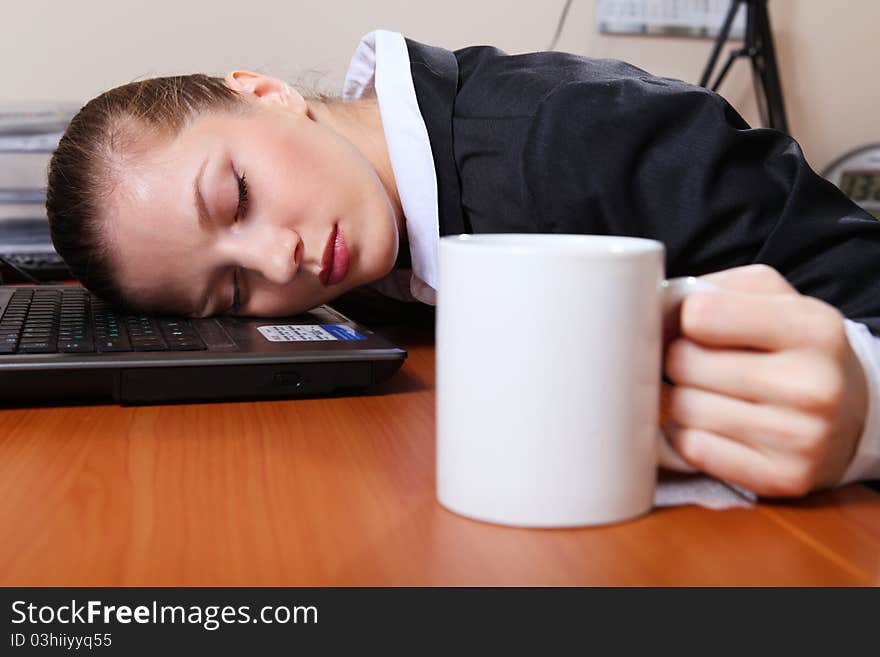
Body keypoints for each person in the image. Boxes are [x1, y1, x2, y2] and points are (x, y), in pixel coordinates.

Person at [45, 30, 880, 497]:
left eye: (235, 196)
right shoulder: (375, 229)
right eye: (231, 288)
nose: (280, 260)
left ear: (265, 92)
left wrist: (864, 408)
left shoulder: (572, 136)